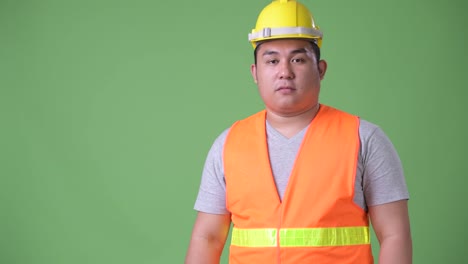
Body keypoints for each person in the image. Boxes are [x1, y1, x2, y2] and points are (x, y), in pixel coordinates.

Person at [185, 0, 412, 263]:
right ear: (255, 72)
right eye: (272, 60)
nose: (285, 72)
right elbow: (208, 238)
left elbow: (395, 234)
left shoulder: (364, 139)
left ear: (321, 69)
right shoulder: (228, 144)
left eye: (298, 59)